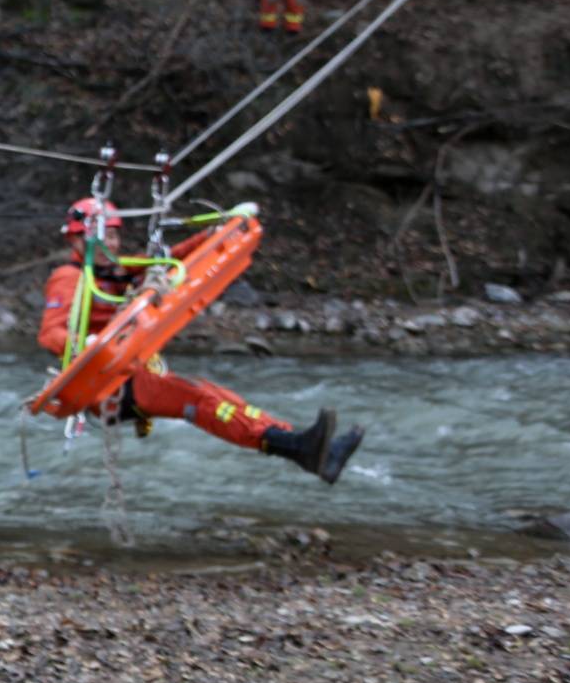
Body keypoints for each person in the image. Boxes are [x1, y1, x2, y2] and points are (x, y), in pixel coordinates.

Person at [38, 197, 363, 482]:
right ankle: (299, 448)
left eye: (113, 234)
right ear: (80, 240)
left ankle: (309, 448)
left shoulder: (120, 270)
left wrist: (216, 232)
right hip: (108, 386)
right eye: (103, 235)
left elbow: (174, 259)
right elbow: (51, 332)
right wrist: (87, 345)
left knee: (215, 394)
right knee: (201, 401)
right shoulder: (69, 277)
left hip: (129, 374)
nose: (112, 241)